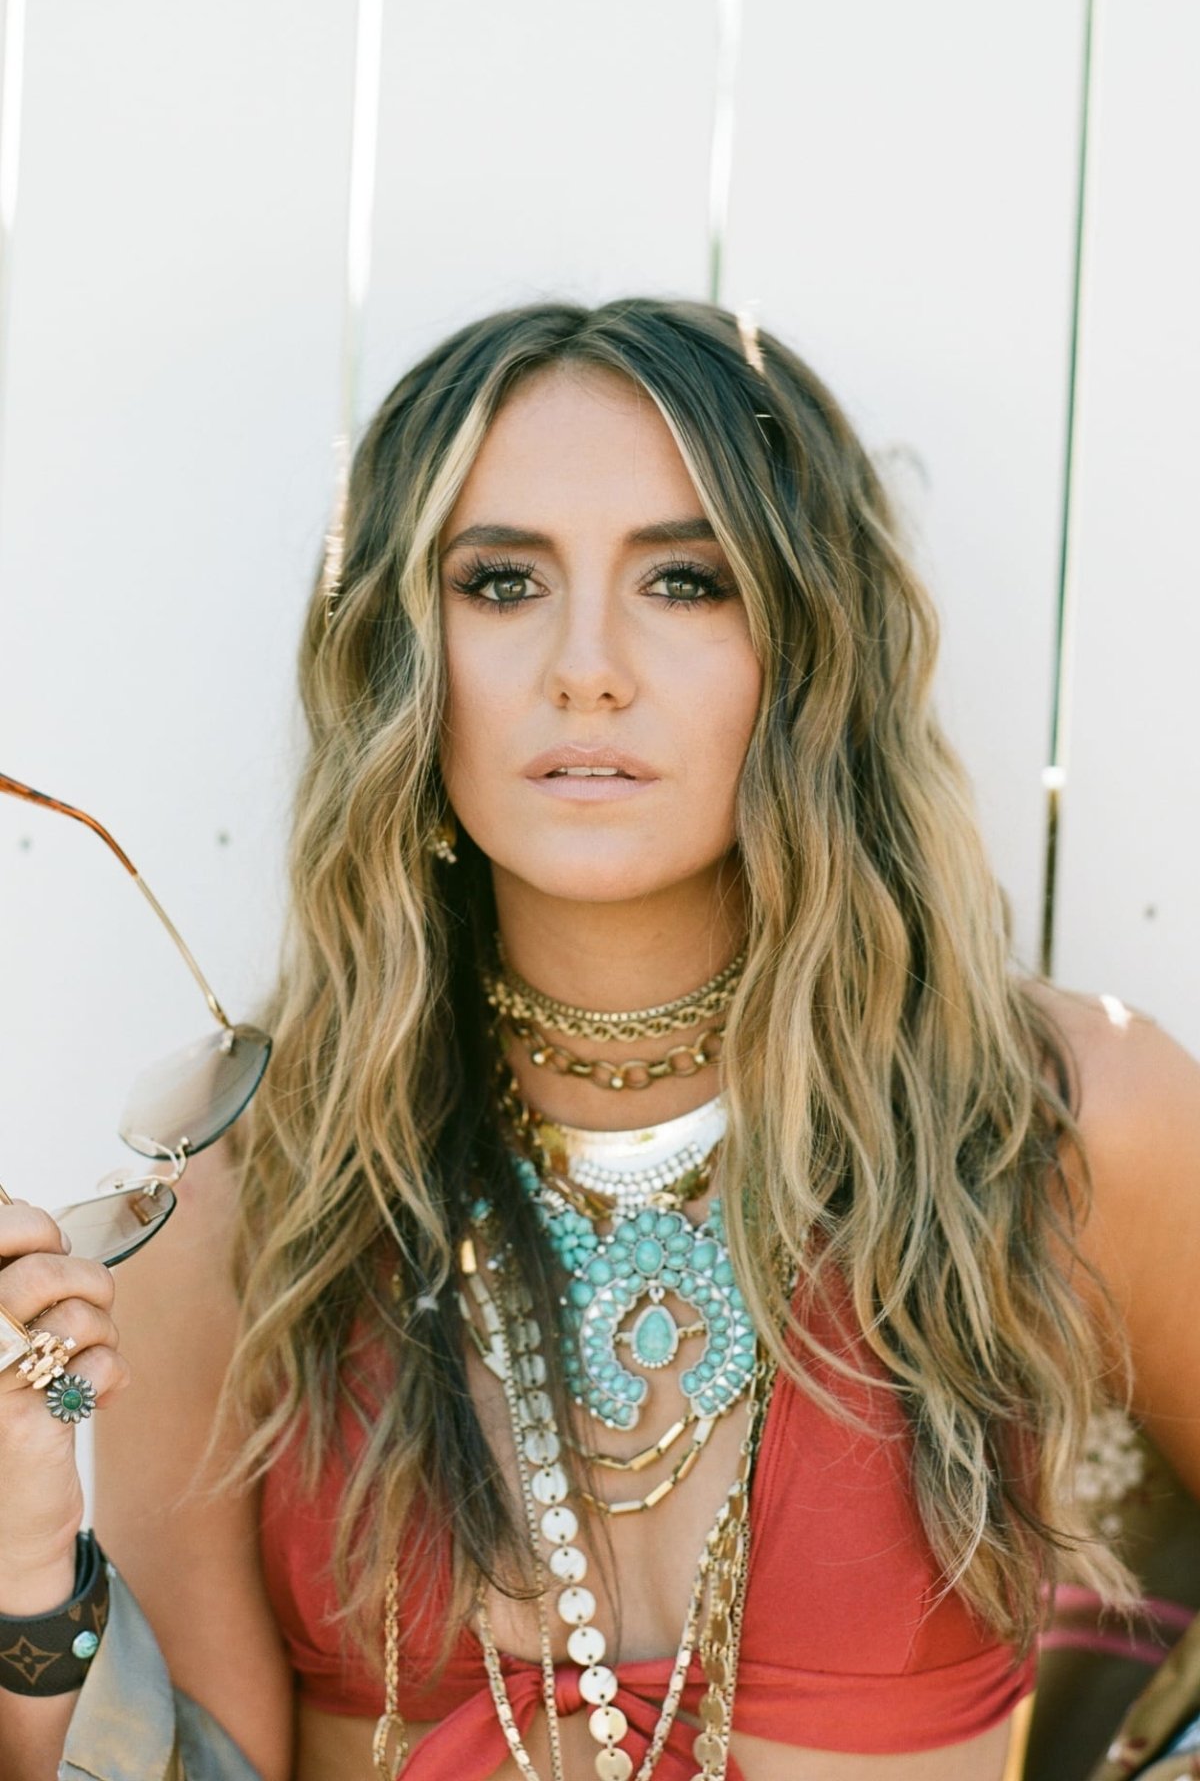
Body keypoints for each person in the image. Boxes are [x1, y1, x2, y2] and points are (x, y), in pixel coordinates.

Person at [1, 297, 1198, 1781]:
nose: (587, 668)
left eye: (686, 581)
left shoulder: (1060, 1123)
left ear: (808, 642)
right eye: (500, 582)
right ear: (400, 653)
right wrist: (25, 1565)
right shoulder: (250, 1199)